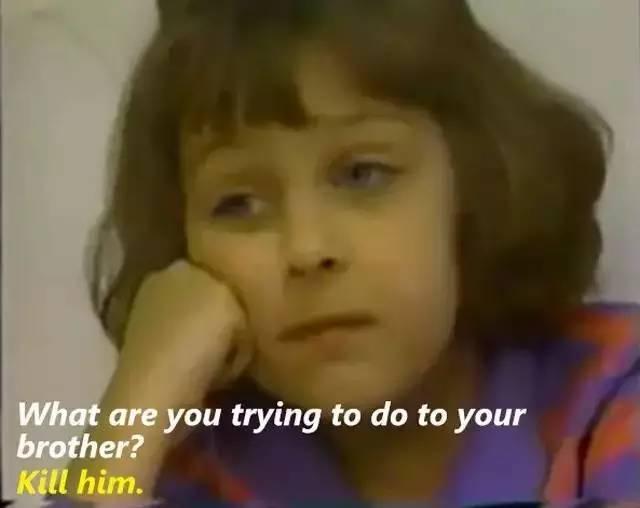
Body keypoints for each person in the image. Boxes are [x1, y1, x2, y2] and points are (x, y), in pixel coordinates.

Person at [49, 0, 639, 506]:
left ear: (476, 187)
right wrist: (135, 411)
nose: (308, 249)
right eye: (238, 205)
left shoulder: (609, 389)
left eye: (363, 175)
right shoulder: (187, 467)